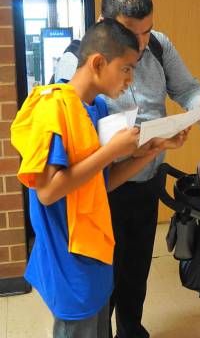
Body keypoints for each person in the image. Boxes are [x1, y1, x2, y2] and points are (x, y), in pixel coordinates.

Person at [54, 0, 200, 338]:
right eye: (132, 33)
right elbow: (66, 153)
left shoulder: (160, 46)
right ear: (105, 21)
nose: (142, 42)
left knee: (135, 270)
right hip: (100, 191)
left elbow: (187, 88)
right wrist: (118, 148)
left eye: (147, 30)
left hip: (146, 179)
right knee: (101, 282)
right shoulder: (77, 63)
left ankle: (131, 329)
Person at [10, 19, 187, 338]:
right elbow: (48, 191)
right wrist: (111, 151)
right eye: (126, 68)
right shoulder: (54, 108)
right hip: (69, 265)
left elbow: (102, 182)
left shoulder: (98, 108)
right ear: (98, 62)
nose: (130, 79)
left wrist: (151, 150)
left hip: (96, 255)